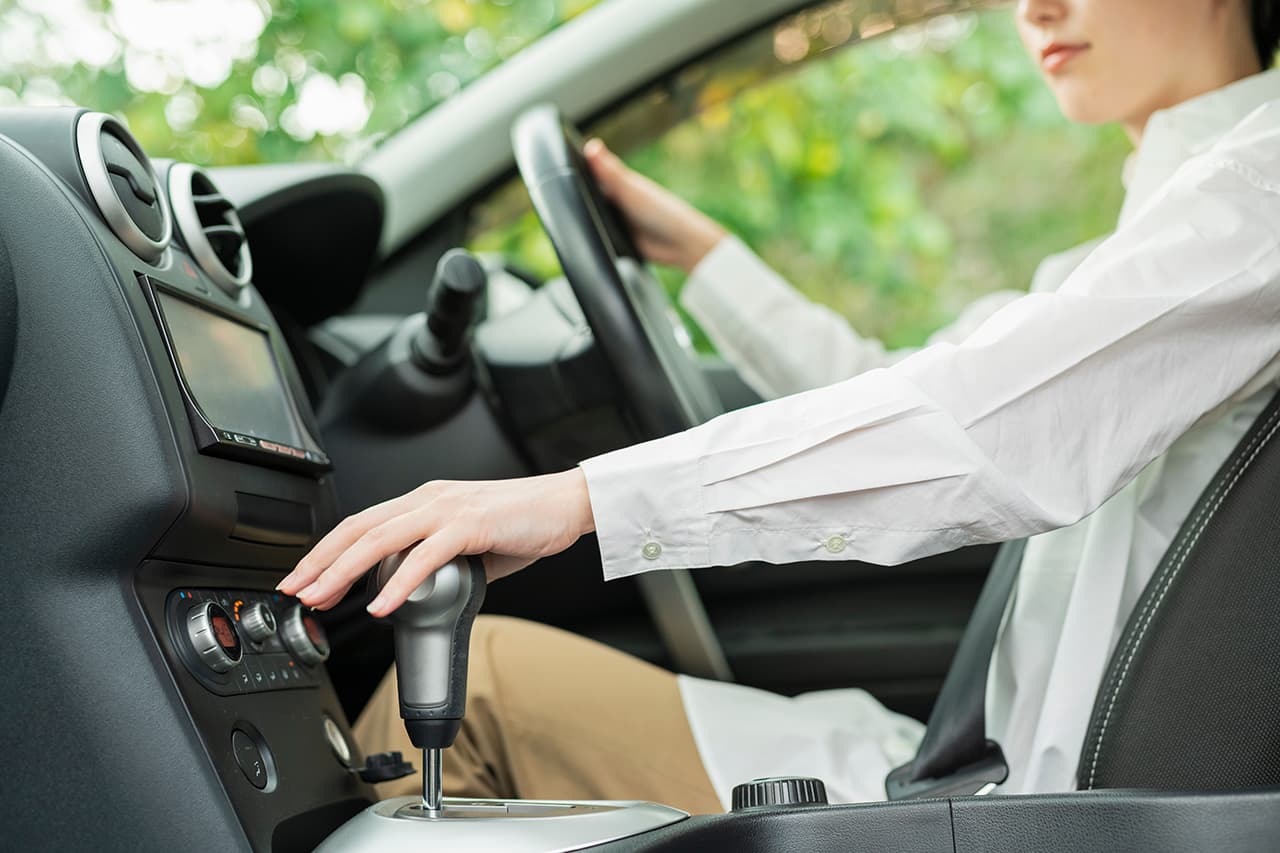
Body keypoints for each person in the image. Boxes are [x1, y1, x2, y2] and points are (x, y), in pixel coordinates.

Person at [280, 0, 1280, 813]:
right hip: (987, 768)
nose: (1035, 8)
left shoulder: (1258, 186)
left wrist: (579, 500)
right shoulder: (1147, 228)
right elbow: (901, 382)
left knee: (485, 687)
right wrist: (700, 255)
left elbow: (980, 425)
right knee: (492, 673)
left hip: (1036, 808)